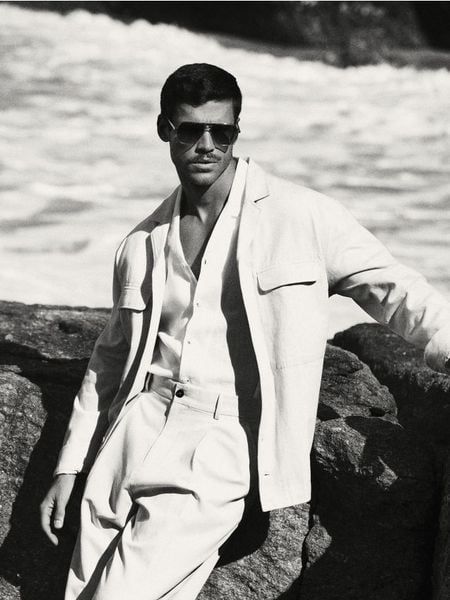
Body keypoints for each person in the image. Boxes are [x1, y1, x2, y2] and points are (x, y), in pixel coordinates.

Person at [40, 63, 450, 600]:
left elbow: (393, 288)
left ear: (237, 130)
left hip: (220, 441)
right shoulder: (141, 243)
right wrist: (70, 465)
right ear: (165, 129)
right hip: (134, 429)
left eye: (222, 131)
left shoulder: (301, 215)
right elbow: (109, 361)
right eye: (191, 130)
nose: (207, 145)